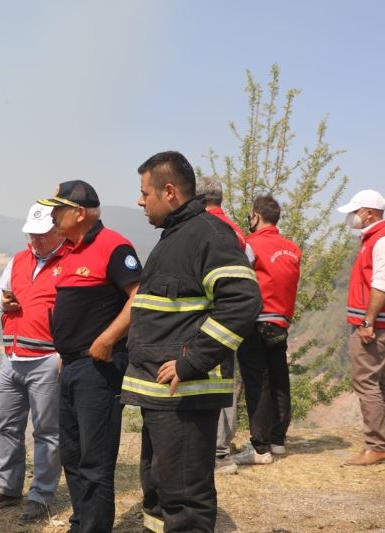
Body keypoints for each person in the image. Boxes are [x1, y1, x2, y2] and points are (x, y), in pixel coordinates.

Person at [123, 152, 260, 533]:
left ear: (168, 192)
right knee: (158, 488)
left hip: (186, 391)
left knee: (184, 496)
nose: (139, 201)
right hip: (162, 392)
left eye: (144, 192)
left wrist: (190, 362)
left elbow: (243, 303)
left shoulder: (208, 236)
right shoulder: (176, 236)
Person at [38, 180, 141, 533]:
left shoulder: (114, 246)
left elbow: (137, 298)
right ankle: (81, 522)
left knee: (95, 461)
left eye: (58, 208)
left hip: (99, 368)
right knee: (72, 454)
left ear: (79, 213)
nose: (52, 215)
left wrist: (107, 340)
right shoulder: (68, 250)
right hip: (71, 366)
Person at [0, 203, 67, 522]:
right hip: (12, 357)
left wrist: (62, 354)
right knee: (7, 424)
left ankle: (41, 494)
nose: (35, 240)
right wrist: (3, 300)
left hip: (46, 358)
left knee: (46, 430)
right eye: (31, 233)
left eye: (42, 234)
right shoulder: (19, 259)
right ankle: (8, 488)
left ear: (58, 231)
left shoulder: (68, 261)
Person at [233, 195, 302, 466]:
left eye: (250, 215)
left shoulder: (250, 245)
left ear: (257, 216)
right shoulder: (292, 248)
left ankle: (260, 448)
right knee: (279, 379)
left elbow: (241, 278)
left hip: (256, 320)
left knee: (257, 383)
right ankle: (278, 440)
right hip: (281, 321)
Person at [196, 176, 247, 475]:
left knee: (210, 379)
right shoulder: (237, 231)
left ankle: (218, 454)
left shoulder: (204, 228)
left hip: (210, 315)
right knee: (226, 377)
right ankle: (224, 444)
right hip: (234, 316)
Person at [337, 189, 385, 466]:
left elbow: (382, 284)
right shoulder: (373, 239)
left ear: (369, 212)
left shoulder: (380, 240)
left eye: (356, 212)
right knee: (380, 385)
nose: (353, 217)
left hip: (373, 327)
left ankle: (376, 446)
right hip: (376, 324)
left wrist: (368, 322)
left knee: (367, 383)